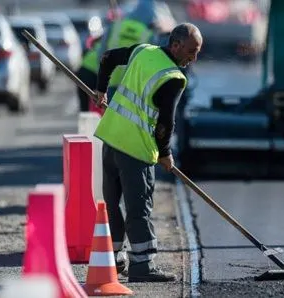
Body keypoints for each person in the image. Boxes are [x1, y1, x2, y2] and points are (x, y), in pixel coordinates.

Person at [94, 22, 202, 282]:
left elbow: (108, 58)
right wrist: (165, 153)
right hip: (135, 149)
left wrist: (101, 90)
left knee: (111, 204)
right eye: (190, 51)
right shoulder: (174, 78)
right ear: (175, 45)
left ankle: (111, 260)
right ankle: (142, 268)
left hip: (110, 139)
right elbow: (166, 123)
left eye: (197, 52)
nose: (193, 58)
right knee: (138, 208)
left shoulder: (143, 50)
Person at [97, 0, 158, 101]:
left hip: (110, 84)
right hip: (133, 87)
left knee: (110, 115)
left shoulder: (115, 26)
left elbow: (101, 55)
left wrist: (100, 82)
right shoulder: (148, 34)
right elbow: (151, 64)